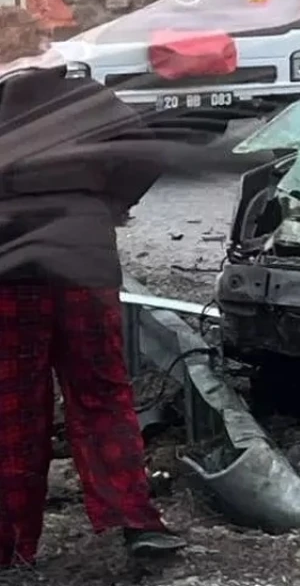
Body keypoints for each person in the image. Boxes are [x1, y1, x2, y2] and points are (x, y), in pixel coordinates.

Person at [0, 58, 189, 566]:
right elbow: (145, 155)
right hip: (84, 264)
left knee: (14, 408)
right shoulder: (87, 97)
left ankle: (11, 543)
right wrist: (106, 205)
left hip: (10, 273)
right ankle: (136, 522)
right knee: (102, 393)